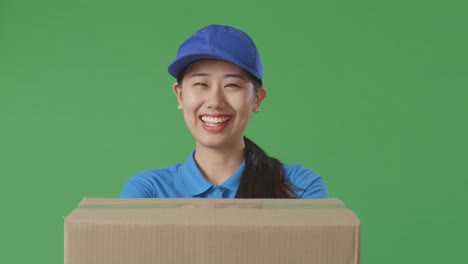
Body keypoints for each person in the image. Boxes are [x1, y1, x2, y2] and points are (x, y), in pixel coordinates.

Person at [120, 24, 328, 199]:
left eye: (232, 85)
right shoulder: (148, 192)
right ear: (180, 96)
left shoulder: (299, 188)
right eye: (201, 83)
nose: (215, 101)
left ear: (257, 99)